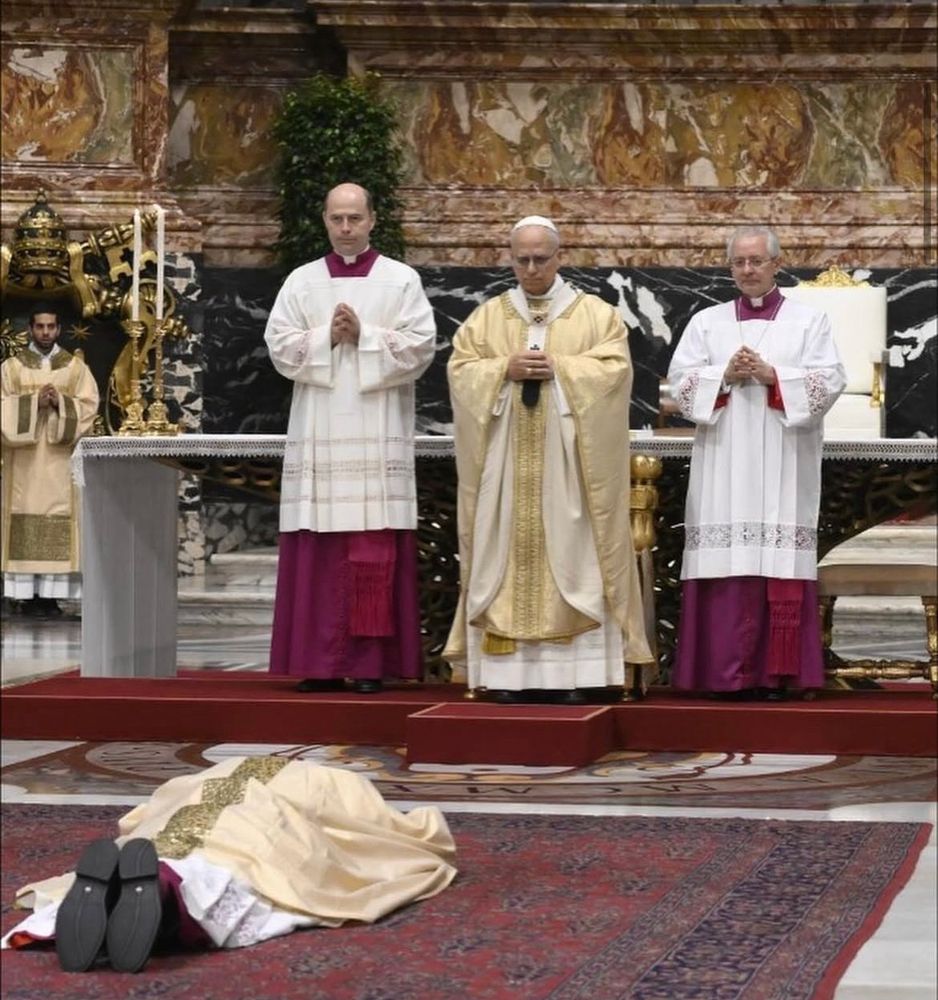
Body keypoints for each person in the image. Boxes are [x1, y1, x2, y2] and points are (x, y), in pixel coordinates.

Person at [444, 215, 652, 705]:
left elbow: (615, 371)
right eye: (522, 260)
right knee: (501, 556)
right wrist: (502, 370)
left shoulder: (596, 315)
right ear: (511, 259)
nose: (532, 268)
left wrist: (559, 369)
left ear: (560, 257)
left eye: (541, 258)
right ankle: (506, 677)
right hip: (506, 470)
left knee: (579, 553)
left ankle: (577, 677)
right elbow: (461, 370)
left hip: (572, 471)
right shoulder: (488, 318)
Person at [1, 757, 457, 971]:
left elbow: (146, 813)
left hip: (187, 811)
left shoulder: (213, 772)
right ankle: (161, 897)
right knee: (254, 862)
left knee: (171, 839)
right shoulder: (330, 780)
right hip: (269, 815)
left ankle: (141, 886)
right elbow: (371, 831)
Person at [265, 183, 436, 694]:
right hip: (319, 430)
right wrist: (325, 338)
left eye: (354, 218)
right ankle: (318, 663)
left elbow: (421, 346)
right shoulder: (302, 281)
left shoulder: (399, 279)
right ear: (324, 221)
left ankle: (367, 665)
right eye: (337, 219)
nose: (345, 228)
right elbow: (277, 345)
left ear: (372, 219)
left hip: (377, 429)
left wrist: (366, 336)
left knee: (372, 545)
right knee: (319, 545)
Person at [666, 225, 846, 699]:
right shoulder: (708, 323)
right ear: (730, 268)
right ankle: (722, 675)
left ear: (776, 264)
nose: (748, 270)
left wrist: (772, 375)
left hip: (785, 464)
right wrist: (721, 375)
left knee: (778, 558)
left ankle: (779, 675)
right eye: (739, 263)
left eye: (756, 261)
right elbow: (678, 389)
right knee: (726, 558)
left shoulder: (809, 321)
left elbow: (829, 382)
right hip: (724, 461)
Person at [1, 304, 99, 616]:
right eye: (40, 327)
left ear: (59, 330)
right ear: (29, 329)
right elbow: (2, 405)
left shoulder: (74, 368)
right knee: (23, 516)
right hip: (24, 463)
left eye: (51, 327)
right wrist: (32, 403)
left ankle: (52, 598)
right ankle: (24, 597)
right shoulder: (12, 367)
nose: (46, 332)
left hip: (59, 461)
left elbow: (89, 405)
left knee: (58, 520)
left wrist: (60, 403)